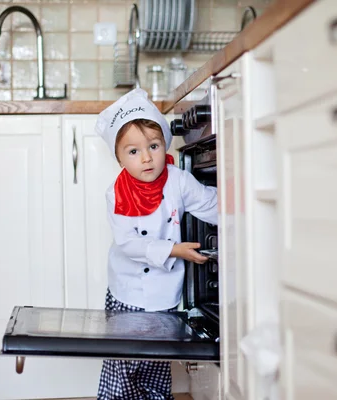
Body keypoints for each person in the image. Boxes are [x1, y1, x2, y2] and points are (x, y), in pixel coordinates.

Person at [94, 88, 218, 399]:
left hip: (164, 293)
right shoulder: (116, 192)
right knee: (124, 364)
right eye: (133, 151)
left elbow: (208, 204)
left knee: (156, 361)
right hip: (127, 292)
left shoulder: (177, 179)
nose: (147, 158)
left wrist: (242, 209)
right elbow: (128, 244)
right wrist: (174, 250)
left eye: (153, 146)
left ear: (164, 144)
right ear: (120, 157)